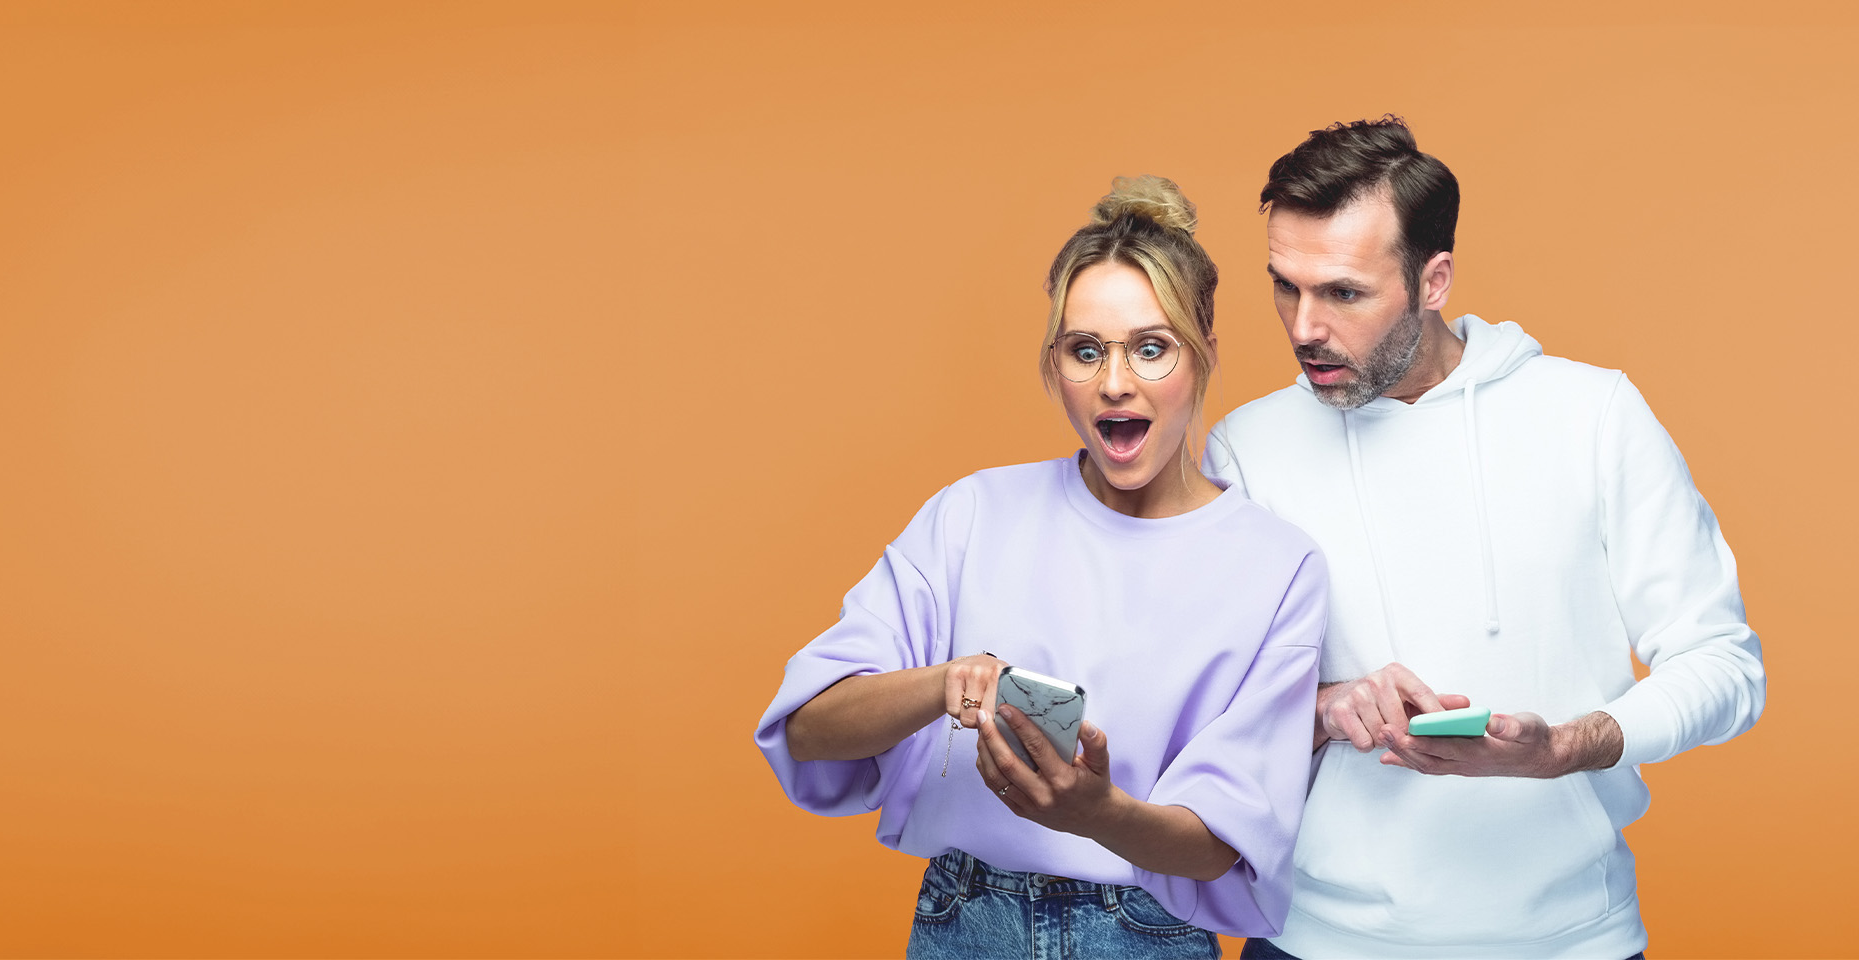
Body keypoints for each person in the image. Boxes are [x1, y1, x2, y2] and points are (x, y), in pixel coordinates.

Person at [1201, 117, 1766, 959]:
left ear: (1434, 281)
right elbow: (1212, 713)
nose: (1304, 326)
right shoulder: (1247, 448)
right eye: (1286, 285)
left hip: (1571, 940)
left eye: (1344, 292)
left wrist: (1571, 746)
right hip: (1318, 940)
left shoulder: (1594, 417)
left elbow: (1725, 666)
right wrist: (1322, 708)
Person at [756, 177, 1326, 958]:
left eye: (1151, 348)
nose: (1115, 381)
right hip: (964, 920)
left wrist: (1095, 813)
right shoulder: (972, 516)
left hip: (1146, 932)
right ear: (1054, 363)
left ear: (1204, 358)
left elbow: (1225, 843)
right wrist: (945, 681)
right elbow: (811, 729)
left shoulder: (1277, 568)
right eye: (1084, 350)